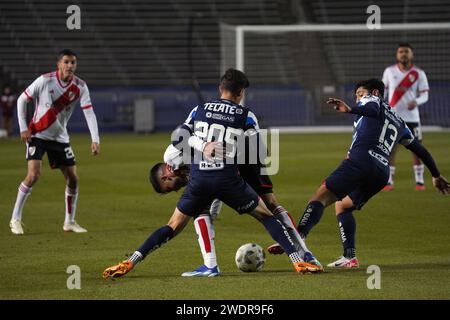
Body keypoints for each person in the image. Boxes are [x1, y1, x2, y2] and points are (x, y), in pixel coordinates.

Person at [102, 68, 322, 279]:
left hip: (204, 179)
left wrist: (203, 145)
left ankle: (134, 260)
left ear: (220, 88)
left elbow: (178, 136)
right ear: (241, 93)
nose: (174, 186)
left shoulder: (198, 111)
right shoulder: (246, 114)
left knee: (177, 223)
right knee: (268, 211)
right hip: (236, 169)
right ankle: (299, 258)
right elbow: (259, 150)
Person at [268, 79, 450, 268]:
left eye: (360, 94)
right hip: (381, 172)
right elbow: (420, 150)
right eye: (356, 96)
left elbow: (371, 109)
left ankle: (297, 240)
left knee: (319, 198)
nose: (358, 98)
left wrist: (351, 109)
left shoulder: (373, 101)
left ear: (375, 93)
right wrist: (436, 175)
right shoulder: (399, 121)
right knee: (343, 206)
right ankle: (349, 257)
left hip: (360, 161)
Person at [143, 141, 320, 277]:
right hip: (232, 162)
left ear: (165, 175)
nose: (175, 189)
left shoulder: (173, 155)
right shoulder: (183, 171)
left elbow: (199, 145)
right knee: (270, 205)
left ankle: (305, 254)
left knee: (270, 205)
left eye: (170, 187)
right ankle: (305, 256)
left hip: (240, 154)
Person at [9, 49, 100, 235]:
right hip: (37, 135)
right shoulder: (45, 80)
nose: (70, 66)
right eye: (66, 62)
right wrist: (23, 127)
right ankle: (15, 219)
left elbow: (89, 112)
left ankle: (69, 222)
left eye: (73, 62)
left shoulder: (80, 87)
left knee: (73, 179)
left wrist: (95, 139)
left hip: (60, 138)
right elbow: (21, 100)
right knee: (33, 175)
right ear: (58, 64)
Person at [382, 43, 430, 191]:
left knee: (417, 150)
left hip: (413, 118)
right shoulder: (389, 71)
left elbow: (425, 94)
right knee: (390, 150)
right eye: (401, 52)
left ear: (411, 55)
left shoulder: (419, 73)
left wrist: (416, 101)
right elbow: (383, 92)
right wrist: (381, 108)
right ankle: (388, 181)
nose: (403, 54)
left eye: (406, 52)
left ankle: (420, 181)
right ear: (397, 55)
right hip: (393, 117)